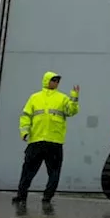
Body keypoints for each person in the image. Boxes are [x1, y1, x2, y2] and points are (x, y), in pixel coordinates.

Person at [13, 71, 80, 204]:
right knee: (27, 171)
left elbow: (71, 111)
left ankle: (47, 197)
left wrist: (74, 97)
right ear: (46, 81)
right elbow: (26, 116)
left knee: (54, 172)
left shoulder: (63, 98)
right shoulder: (34, 98)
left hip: (54, 142)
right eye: (53, 80)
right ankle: (21, 195)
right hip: (36, 140)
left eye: (57, 81)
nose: (55, 83)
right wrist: (24, 132)